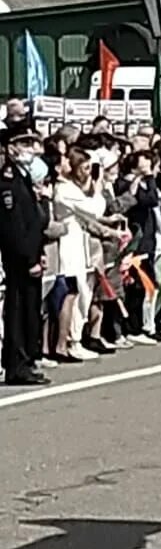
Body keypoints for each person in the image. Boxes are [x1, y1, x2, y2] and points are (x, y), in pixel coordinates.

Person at [0, 123, 50, 386]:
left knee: (30, 310)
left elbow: (34, 221)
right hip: (19, 259)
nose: (31, 149)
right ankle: (16, 365)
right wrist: (28, 258)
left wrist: (39, 252)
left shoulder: (23, 177)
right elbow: (13, 228)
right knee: (17, 311)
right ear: (11, 148)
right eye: (25, 144)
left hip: (31, 254)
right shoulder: (7, 182)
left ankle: (27, 359)